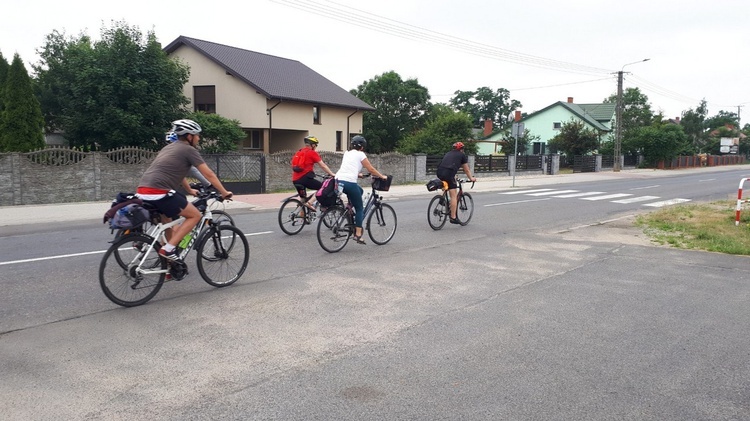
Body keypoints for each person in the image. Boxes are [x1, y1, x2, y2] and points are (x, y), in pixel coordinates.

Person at [137, 119, 232, 261]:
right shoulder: (188, 150)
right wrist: (224, 192)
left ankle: (169, 264)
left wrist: (189, 190)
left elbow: (179, 174)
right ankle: (168, 250)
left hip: (142, 191)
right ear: (189, 136)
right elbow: (208, 174)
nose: (199, 138)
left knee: (167, 221)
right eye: (197, 135)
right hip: (159, 192)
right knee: (195, 215)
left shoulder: (168, 148)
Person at [335, 135, 387, 245]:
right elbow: (371, 169)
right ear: (362, 147)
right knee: (359, 209)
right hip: (349, 182)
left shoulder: (346, 153)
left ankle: (349, 208)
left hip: (338, 181)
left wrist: (358, 175)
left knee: (360, 191)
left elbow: (347, 168)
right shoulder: (360, 154)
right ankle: (358, 234)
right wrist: (382, 176)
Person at [291, 135, 337, 210]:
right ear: (312, 145)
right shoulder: (312, 153)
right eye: (315, 145)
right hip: (305, 179)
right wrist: (332, 174)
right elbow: (323, 165)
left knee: (303, 199)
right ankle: (310, 203)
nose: (316, 147)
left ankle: (302, 218)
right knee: (322, 188)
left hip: (295, 180)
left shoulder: (300, 151)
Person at [436, 141, 477, 224]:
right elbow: (466, 169)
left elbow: (448, 165)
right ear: (461, 149)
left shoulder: (448, 153)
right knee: (454, 195)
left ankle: (442, 200)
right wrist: (471, 178)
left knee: (447, 185)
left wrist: (454, 176)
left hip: (440, 172)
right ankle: (453, 217)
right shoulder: (462, 155)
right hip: (449, 173)